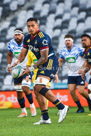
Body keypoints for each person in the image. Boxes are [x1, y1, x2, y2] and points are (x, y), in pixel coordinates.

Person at [12, 18, 69, 125]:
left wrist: (31, 68)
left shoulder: (43, 38)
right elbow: (22, 55)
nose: (30, 28)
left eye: (33, 25)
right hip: (42, 64)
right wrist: (16, 63)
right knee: (36, 90)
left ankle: (62, 107)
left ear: (37, 26)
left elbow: (44, 58)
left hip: (50, 61)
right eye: (28, 26)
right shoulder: (27, 38)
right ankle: (45, 118)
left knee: (39, 86)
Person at [7, 28, 36, 117]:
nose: (17, 36)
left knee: (25, 87)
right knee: (19, 91)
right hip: (16, 70)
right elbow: (9, 54)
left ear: (22, 35)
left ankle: (32, 106)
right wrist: (9, 65)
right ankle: (24, 111)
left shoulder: (27, 42)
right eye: (15, 35)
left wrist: (29, 69)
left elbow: (32, 56)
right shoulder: (11, 43)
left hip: (27, 68)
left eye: (19, 35)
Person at [59, 34, 91, 113]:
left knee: (81, 91)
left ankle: (89, 101)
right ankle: (80, 107)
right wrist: (57, 68)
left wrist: (83, 69)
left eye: (69, 40)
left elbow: (86, 59)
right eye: (66, 40)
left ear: (72, 41)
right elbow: (60, 60)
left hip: (80, 74)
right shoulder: (63, 51)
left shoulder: (79, 49)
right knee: (71, 91)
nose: (67, 42)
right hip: (71, 74)